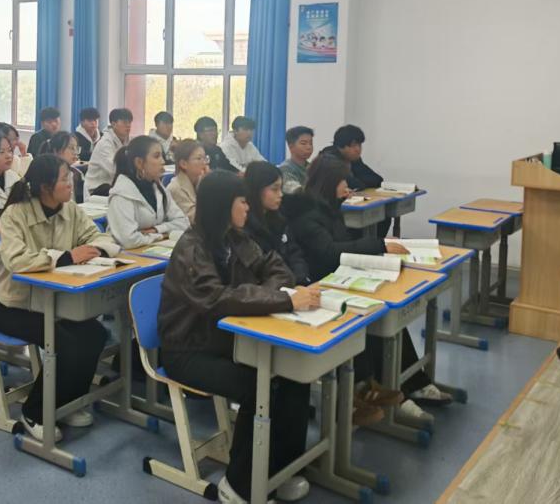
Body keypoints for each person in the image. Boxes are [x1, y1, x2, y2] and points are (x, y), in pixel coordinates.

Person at [158, 171, 316, 504]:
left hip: (226, 338)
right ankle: (239, 485)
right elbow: (217, 300)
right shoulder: (191, 249)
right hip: (188, 348)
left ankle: (279, 469)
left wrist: (267, 295)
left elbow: (277, 268)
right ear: (223, 205)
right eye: (242, 201)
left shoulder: (235, 238)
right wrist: (281, 300)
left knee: (294, 376)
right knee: (258, 386)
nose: (248, 207)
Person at [283, 155, 451, 412]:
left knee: (388, 312)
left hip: (341, 277)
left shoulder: (329, 207)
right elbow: (330, 252)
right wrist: (378, 244)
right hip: (323, 284)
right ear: (329, 182)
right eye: (342, 181)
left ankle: (409, 382)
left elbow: (343, 243)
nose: (347, 186)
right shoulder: (307, 215)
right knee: (372, 314)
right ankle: (376, 388)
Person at [0, 155, 118, 441]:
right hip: (14, 306)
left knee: (96, 334)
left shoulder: (70, 209)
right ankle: (34, 412)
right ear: (45, 186)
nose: (71, 183)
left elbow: (98, 237)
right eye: (64, 179)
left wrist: (96, 251)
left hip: (56, 302)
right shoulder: (15, 214)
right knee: (65, 342)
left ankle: (68, 401)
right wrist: (66, 257)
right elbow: (17, 261)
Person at [107, 136, 189, 249]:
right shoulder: (122, 194)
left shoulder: (158, 187)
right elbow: (129, 240)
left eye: (162, 156)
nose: (163, 161)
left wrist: (157, 229)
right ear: (139, 163)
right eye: (156, 156)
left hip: (150, 249)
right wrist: (161, 236)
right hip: (126, 255)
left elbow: (183, 222)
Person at [244, 162, 310, 285]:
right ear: (257, 189)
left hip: (293, 285)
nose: (280, 194)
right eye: (274, 189)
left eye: (281, 188)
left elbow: (295, 253)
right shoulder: (245, 227)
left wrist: (301, 280)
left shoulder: (280, 218)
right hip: (271, 290)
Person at [321, 124, 389, 237]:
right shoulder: (330, 160)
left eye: (359, 145)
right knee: (376, 218)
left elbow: (377, 179)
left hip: (352, 204)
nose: (358, 149)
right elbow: (357, 184)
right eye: (353, 145)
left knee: (384, 215)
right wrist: (359, 182)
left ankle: (376, 245)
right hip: (333, 211)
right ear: (341, 146)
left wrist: (359, 181)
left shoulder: (353, 159)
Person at [85, 108, 132, 198]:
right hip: (97, 190)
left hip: (114, 187)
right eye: (125, 122)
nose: (128, 125)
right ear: (114, 124)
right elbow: (114, 170)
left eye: (130, 122)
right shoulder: (105, 143)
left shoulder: (128, 140)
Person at [166, 139, 208, 222]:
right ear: (183, 164)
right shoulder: (175, 188)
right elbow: (194, 218)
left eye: (205, 158)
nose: (204, 163)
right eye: (199, 158)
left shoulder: (200, 180)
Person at [42, 131, 85, 204]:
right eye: (71, 148)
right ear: (56, 150)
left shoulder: (77, 174)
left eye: (76, 148)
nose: (75, 152)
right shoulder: (46, 173)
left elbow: (82, 203)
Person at [279, 126, 314, 195]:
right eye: (303, 143)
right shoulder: (285, 168)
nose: (309, 147)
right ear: (291, 147)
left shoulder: (312, 166)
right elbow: (295, 192)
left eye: (311, 143)